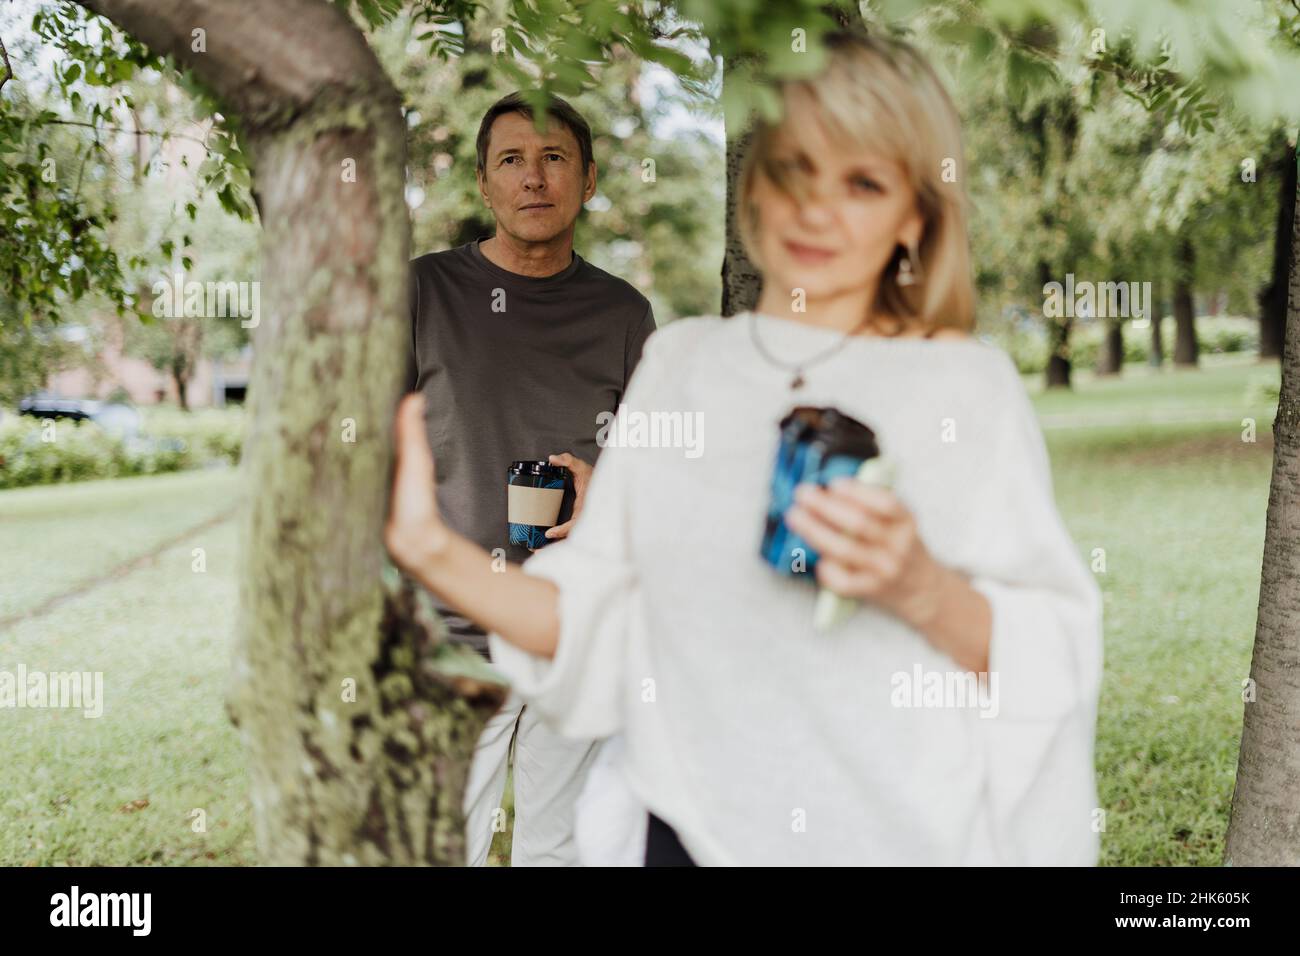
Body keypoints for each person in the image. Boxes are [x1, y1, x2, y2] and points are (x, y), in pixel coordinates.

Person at [389, 31, 1103, 866]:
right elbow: (584, 616)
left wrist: (921, 587)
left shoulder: (964, 389)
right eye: (794, 169)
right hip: (690, 832)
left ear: (915, 214)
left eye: (862, 182)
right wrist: (432, 550)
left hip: (886, 835)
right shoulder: (686, 365)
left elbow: (1050, 654)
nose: (817, 209)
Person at [406, 90, 656, 866]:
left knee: (562, 850)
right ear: (483, 183)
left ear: (587, 180)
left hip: (573, 632)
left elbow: (656, 477)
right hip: (446, 635)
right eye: (512, 160)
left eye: (555, 159)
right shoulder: (421, 293)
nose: (534, 178)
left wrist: (602, 489)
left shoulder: (624, 315)